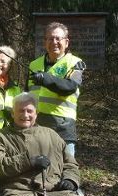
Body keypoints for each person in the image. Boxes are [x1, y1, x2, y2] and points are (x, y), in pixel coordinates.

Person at [28, 22, 86, 156]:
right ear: (45, 42)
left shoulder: (76, 63)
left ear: (66, 42)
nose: (54, 42)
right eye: (50, 38)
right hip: (36, 128)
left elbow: (69, 87)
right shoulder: (34, 64)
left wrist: (45, 78)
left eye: (58, 38)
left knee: (66, 170)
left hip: (63, 130)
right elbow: (27, 95)